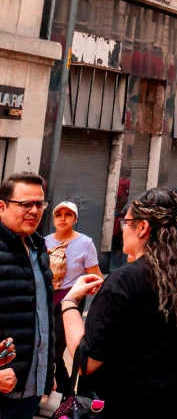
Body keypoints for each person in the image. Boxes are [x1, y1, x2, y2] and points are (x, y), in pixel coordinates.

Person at [60, 187, 177, 417]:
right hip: (172, 404)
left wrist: (69, 303)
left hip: (120, 404)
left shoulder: (124, 281)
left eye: (125, 223)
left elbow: (86, 362)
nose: (123, 230)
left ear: (142, 227)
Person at [0, 173, 54, 419]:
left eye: (39, 204)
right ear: (2, 206)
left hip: (28, 390)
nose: (34, 211)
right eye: (25, 204)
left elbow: (42, 314)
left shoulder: (38, 247)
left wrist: (46, 370)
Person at [46, 200, 102, 395]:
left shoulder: (85, 243)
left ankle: (65, 396)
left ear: (75, 218)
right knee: (45, 348)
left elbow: (96, 277)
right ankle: (57, 393)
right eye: (58, 215)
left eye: (68, 215)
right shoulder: (44, 241)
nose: (62, 219)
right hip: (45, 300)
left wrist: (89, 290)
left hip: (70, 301)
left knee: (55, 351)